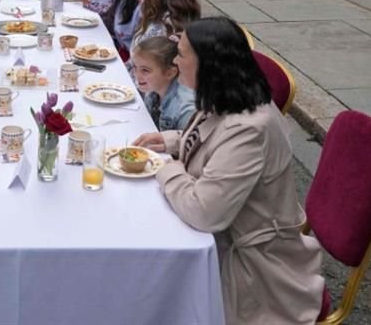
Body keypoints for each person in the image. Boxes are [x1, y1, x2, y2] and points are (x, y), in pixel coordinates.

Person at [134, 18, 324, 324]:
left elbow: (205, 212)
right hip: (227, 240)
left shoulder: (249, 127)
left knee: (145, 280)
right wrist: (172, 141)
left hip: (253, 270)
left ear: (208, 64)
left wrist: (166, 169)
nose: (175, 61)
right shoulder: (228, 96)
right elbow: (217, 142)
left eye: (181, 54)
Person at [132, 36, 194, 131]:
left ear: (170, 73)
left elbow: (184, 144)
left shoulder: (185, 110)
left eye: (145, 70)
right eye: (135, 67)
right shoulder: (154, 87)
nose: (137, 75)